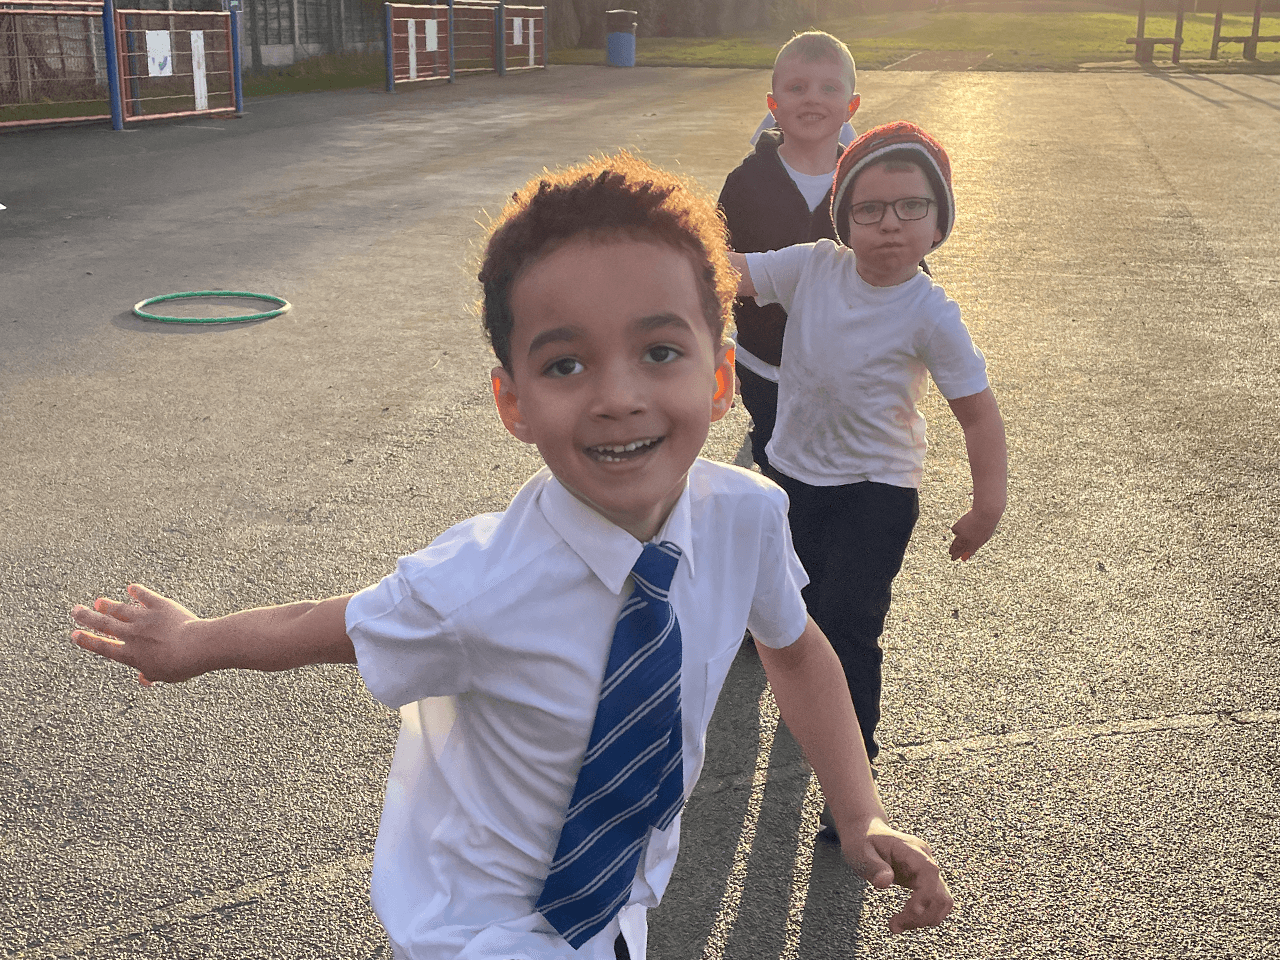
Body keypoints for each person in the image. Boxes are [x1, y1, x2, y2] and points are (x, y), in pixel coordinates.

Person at [70, 153, 954, 960]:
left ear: (720, 378)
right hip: (476, 926)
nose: (617, 397)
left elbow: (795, 650)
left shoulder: (747, 518)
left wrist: (858, 806)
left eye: (659, 351)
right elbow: (324, 625)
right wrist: (189, 643)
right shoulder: (477, 581)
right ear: (513, 402)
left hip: (615, 910)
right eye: (565, 365)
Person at [730, 122, 1008, 783]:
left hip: (876, 492)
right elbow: (731, 273)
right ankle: (811, 715)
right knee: (795, 620)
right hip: (792, 479)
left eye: (913, 206)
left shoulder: (931, 313)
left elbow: (978, 415)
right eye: (871, 208)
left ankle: (852, 777)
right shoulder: (812, 266)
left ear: (939, 220)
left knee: (849, 627)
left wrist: (987, 504)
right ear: (844, 218)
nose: (891, 224)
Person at [718, 30, 861, 472]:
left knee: (842, 467)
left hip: (846, 367)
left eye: (829, 88)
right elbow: (712, 267)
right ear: (773, 102)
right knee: (777, 467)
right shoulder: (745, 183)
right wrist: (705, 344)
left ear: (851, 105)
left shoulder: (865, 182)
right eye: (796, 88)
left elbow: (904, 262)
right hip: (765, 363)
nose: (811, 99)